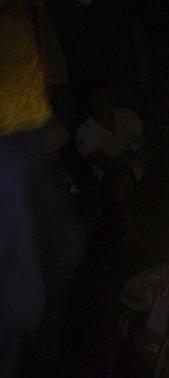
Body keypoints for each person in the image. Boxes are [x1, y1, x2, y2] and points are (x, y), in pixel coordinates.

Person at [0, 1, 84, 376]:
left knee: (66, 248)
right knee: (21, 299)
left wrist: (50, 110)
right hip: (5, 142)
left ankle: (42, 359)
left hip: (27, 133)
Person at [76, 88, 148, 240]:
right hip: (106, 177)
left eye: (106, 96)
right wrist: (129, 158)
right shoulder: (85, 132)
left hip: (138, 163)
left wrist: (140, 155)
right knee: (122, 176)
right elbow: (106, 163)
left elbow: (143, 142)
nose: (104, 101)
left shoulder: (127, 116)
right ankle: (129, 228)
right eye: (97, 98)